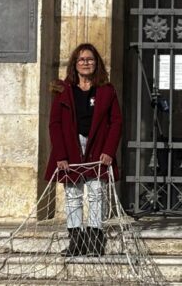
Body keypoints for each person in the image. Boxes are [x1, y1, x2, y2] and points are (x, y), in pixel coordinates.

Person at [45, 43, 123, 257]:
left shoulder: (107, 91)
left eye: (90, 59)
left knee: (96, 193)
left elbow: (116, 122)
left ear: (96, 63)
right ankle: (76, 242)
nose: (86, 63)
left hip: (97, 148)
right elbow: (55, 124)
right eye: (81, 60)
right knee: (73, 194)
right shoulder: (63, 89)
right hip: (71, 148)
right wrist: (60, 154)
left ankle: (96, 241)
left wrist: (109, 150)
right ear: (75, 64)